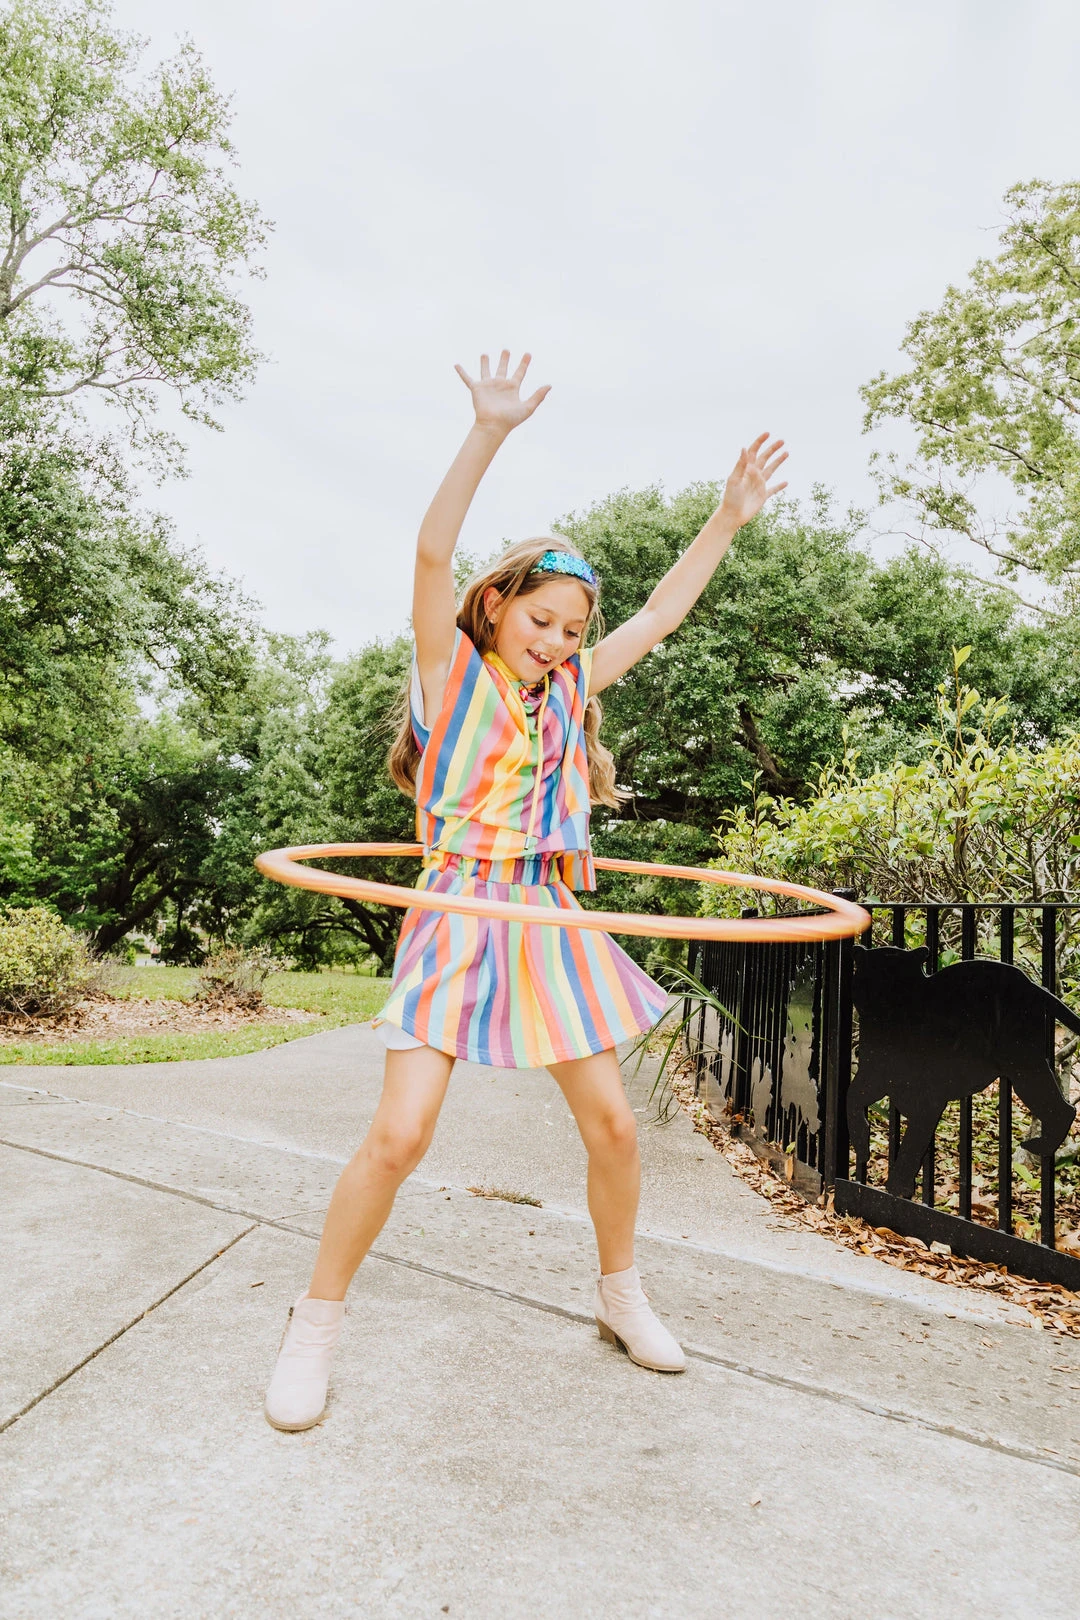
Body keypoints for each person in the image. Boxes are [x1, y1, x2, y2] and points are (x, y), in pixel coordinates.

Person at [263, 351, 787, 1430]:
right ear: (498, 606)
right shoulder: (450, 678)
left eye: (570, 630)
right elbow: (429, 549)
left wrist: (727, 522)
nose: (557, 641)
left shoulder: (569, 696)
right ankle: (315, 1319)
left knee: (616, 1131)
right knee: (401, 1137)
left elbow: (659, 621)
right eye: (540, 619)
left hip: (545, 915)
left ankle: (619, 1294)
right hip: (460, 912)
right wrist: (488, 431)